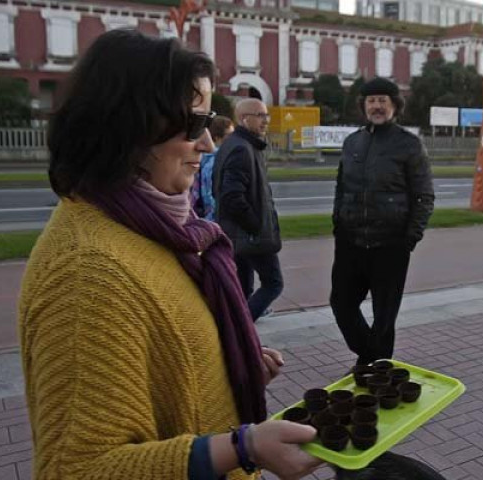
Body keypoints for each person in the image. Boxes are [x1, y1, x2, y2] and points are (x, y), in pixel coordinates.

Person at [22, 29, 320, 479]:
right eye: (195, 125)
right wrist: (243, 447)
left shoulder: (157, 231)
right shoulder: (87, 274)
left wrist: (229, 364)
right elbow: (78, 469)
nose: (209, 145)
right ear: (133, 130)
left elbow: (163, 366)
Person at [330, 77, 435, 366]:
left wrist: (409, 238)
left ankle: (375, 369)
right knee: (341, 303)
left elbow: (424, 196)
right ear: (363, 105)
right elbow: (341, 186)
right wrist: (338, 223)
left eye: (382, 101)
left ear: (394, 106)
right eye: (371, 101)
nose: (376, 106)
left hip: (391, 244)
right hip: (350, 242)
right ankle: (371, 357)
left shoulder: (409, 144)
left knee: (384, 315)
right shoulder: (353, 142)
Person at [213, 99, 283, 322]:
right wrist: (255, 225)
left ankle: (235, 338)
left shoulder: (238, 144)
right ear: (244, 119)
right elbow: (231, 197)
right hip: (250, 235)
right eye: (260, 115)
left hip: (238, 234)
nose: (266, 120)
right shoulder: (242, 149)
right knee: (273, 283)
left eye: (266, 115)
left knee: (243, 289)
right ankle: (238, 329)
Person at [191, 114, 234, 220]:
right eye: (229, 135)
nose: (233, 140)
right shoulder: (215, 161)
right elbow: (210, 197)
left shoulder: (202, 159)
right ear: (217, 138)